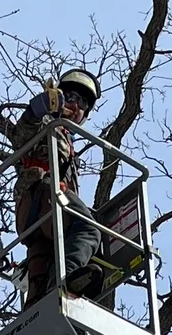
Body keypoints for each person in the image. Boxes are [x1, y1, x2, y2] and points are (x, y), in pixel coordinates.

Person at [12, 68, 106, 305]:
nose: (76, 106)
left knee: (43, 269)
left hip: (46, 222)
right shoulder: (46, 124)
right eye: (71, 97)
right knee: (88, 230)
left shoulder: (68, 145)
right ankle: (65, 284)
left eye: (83, 103)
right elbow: (21, 134)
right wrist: (37, 109)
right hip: (40, 198)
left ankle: (41, 307)